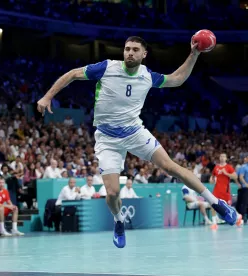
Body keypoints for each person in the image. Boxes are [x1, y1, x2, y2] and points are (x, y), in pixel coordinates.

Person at [36, 36, 238, 249]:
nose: (129, 53)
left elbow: (177, 79)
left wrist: (194, 53)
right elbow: (72, 74)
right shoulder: (106, 67)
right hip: (107, 138)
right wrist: (47, 97)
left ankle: (217, 204)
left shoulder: (147, 76)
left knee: (171, 167)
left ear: (144, 54)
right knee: (113, 193)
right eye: (127, 49)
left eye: (135, 50)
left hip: (135, 132)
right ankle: (119, 221)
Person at [209, 153, 242, 228]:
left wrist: (226, 173)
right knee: (213, 204)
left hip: (225, 191)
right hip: (216, 190)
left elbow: (235, 176)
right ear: (219, 158)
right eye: (221, 156)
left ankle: (238, 216)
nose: (222, 158)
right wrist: (211, 179)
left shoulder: (228, 167)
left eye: (224, 156)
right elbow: (212, 177)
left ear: (226, 158)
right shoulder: (216, 167)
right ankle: (214, 223)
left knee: (228, 207)